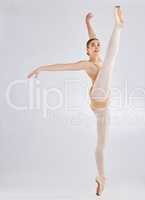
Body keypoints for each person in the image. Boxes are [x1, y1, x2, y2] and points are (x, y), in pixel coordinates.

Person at [27, 6, 124, 196]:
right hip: (97, 96)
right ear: (87, 50)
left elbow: (92, 38)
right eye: (93, 46)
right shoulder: (87, 64)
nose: (96, 46)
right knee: (110, 64)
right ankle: (118, 27)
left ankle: (101, 177)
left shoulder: (98, 60)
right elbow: (63, 67)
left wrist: (88, 23)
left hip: (102, 108)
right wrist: (42, 67)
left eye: (98, 44)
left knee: (101, 144)